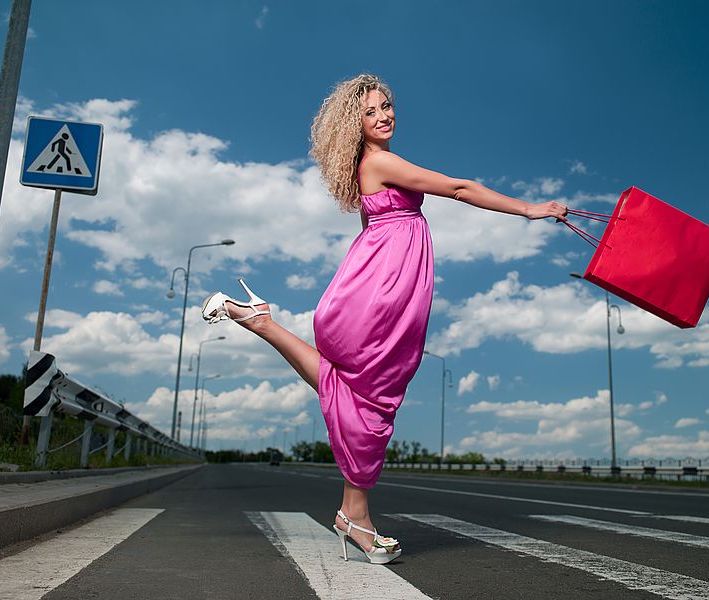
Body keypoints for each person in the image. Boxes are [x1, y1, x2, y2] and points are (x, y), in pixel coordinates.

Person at [201, 73, 567, 564]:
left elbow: (371, 231)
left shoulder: (365, 167)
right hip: (382, 297)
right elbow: (458, 188)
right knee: (373, 401)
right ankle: (354, 514)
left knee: (355, 393)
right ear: (357, 123)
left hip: (374, 289)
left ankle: (262, 323)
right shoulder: (382, 162)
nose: (384, 115)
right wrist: (529, 209)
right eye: (371, 111)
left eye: (386, 105)